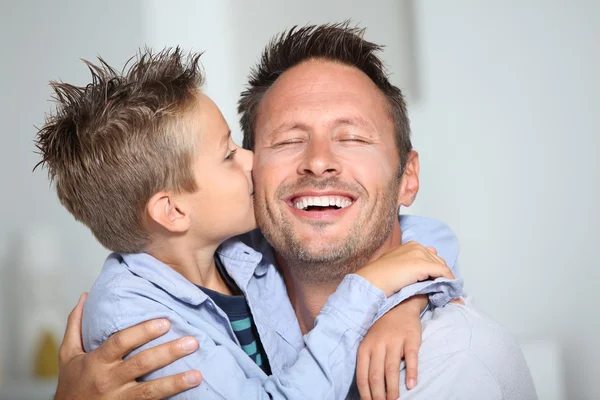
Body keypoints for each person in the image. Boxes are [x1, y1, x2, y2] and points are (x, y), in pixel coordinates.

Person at [53, 23, 537, 400]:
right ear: (175, 210)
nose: (318, 161)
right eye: (285, 141)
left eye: (352, 137)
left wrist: (400, 299)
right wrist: (374, 291)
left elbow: (427, 241)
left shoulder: (450, 359)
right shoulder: (158, 315)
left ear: (407, 177)